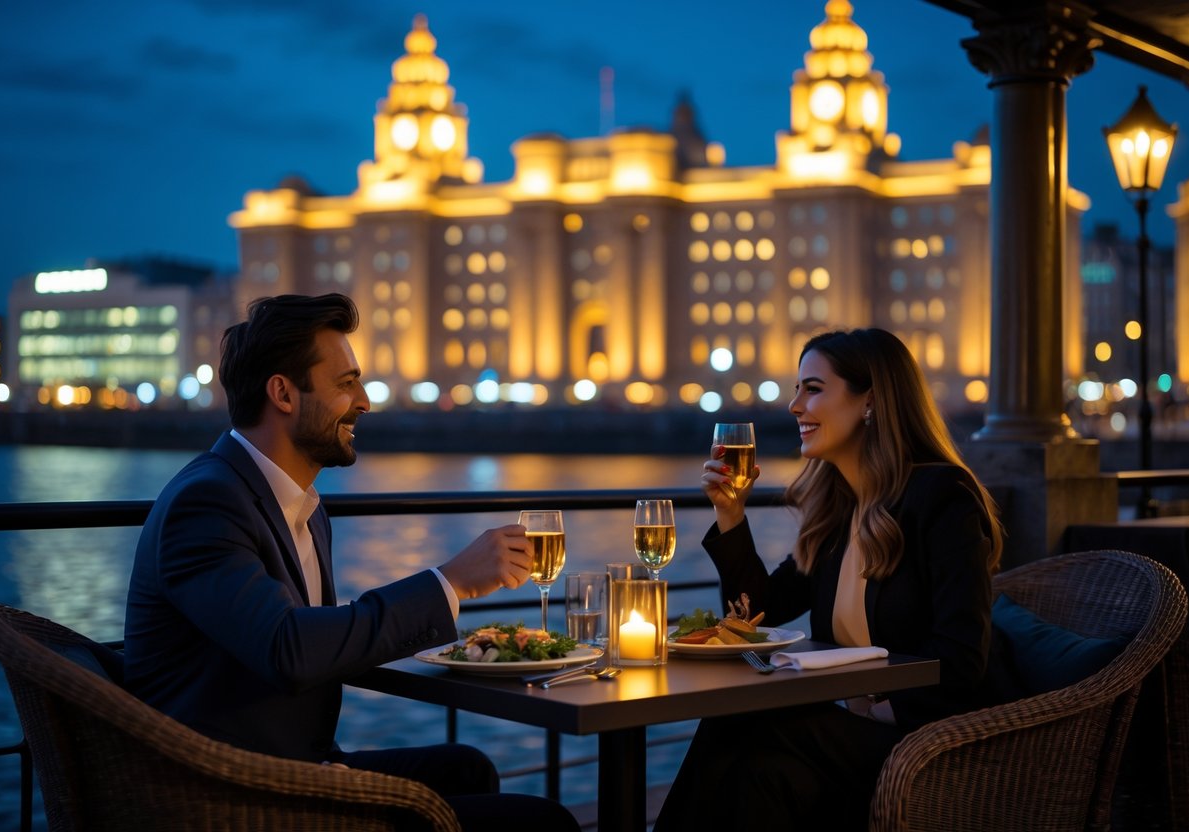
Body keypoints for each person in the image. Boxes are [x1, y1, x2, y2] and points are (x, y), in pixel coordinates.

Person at [124, 293, 579, 832]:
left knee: (466, 767)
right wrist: (451, 581)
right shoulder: (207, 503)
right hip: (232, 796)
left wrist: (482, 643)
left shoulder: (301, 507)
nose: (364, 401)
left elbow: (310, 642)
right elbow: (287, 646)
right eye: (346, 383)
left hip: (288, 766)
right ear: (283, 393)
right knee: (544, 823)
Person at [655, 327, 1003, 831]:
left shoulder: (939, 496)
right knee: (763, 778)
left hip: (930, 739)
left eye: (812, 388)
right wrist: (731, 515)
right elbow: (756, 615)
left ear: (871, 402)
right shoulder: (842, 511)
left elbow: (964, 657)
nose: (794, 405)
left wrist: (877, 712)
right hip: (854, 737)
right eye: (797, 389)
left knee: (747, 718)